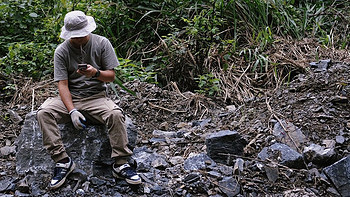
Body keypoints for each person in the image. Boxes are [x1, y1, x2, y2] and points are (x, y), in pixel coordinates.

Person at [36, 10, 141, 189]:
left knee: (115, 114)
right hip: (70, 97)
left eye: (82, 35)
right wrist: (72, 111)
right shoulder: (61, 51)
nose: (78, 39)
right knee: (44, 112)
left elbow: (111, 77)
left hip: (96, 97)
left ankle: (121, 162)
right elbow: (62, 84)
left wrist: (95, 73)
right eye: (75, 37)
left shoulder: (101, 43)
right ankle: (62, 161)